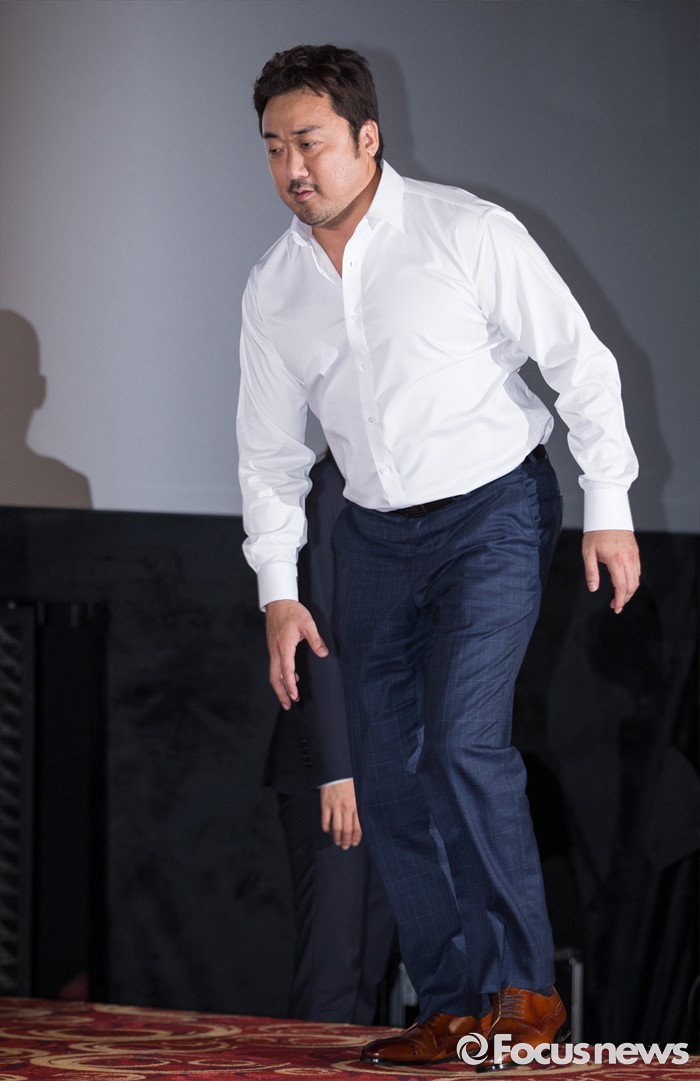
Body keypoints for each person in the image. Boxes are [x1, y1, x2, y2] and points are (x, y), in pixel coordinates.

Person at [237, 44, 640, 1070]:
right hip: (374, 535)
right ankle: (455, 1007)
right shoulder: (274, 288)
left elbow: (579, 362)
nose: (293, 168)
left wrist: (608, 503)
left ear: (368, 138)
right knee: (386, 776)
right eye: (274, 148)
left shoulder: (466, 232)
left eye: (311, 142)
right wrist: (279, 590)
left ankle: (525, 994)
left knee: (463, 741)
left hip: (491, 514)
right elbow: (269, 454)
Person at [264, 450, 396, 1024]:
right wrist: (340, 772)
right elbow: (314, 636)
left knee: (369, 967)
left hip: (393, 768)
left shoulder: (417, 476)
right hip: (335, 772)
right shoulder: (330, 482)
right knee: (333, 971)